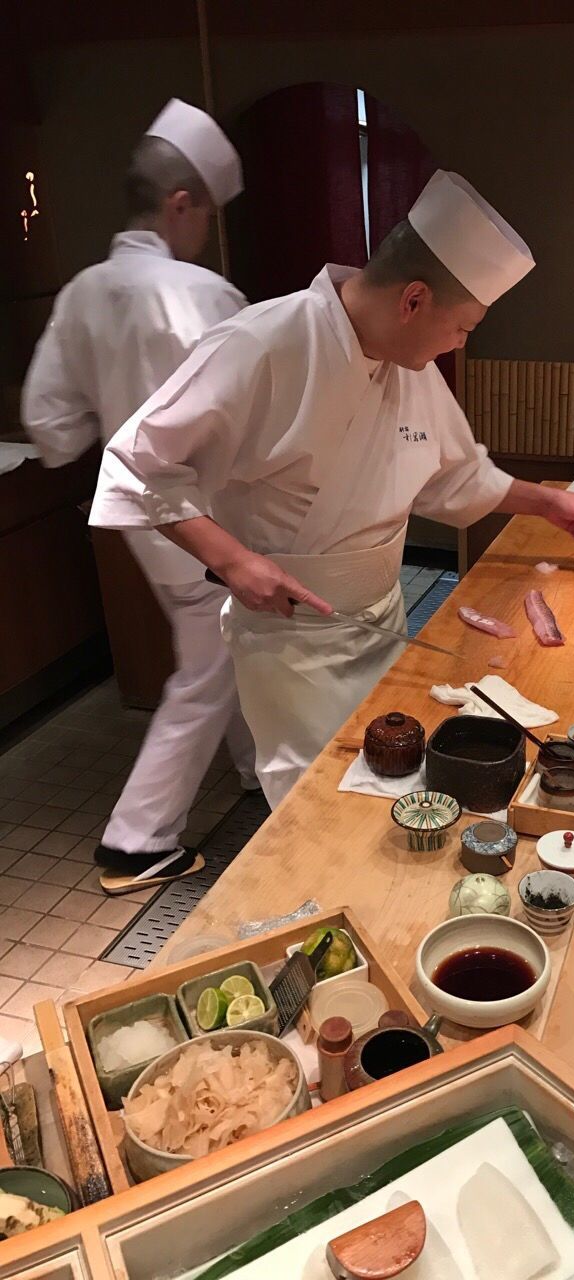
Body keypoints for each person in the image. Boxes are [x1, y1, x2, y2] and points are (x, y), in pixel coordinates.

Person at [91, 170, 574, 807]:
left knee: (389, 789)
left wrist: (548, 500)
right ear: (414, 299)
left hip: (383, 618)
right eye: (464, 327)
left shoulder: (407, 363)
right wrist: (232, 561)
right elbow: (138, 462)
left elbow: (450, 472)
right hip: (293, 642)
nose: (459, 344)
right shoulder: (261, 343)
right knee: (313, 801)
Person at [22, 98, 258, 892]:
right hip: (208, 522)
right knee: (207, 669)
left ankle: (257, 773)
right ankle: (135, 841)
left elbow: (50, 426)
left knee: (221, 653)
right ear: (181, 205)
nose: (205, 234)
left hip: (135, 520)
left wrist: (115, 408)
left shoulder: (80, 294)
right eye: (205, 217)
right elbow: (259, 420)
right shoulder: (205, 295)